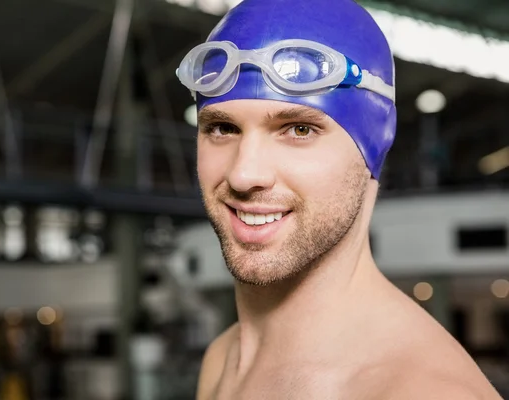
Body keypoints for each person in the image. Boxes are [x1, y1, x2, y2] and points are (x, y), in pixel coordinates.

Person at [176, 0, 503, 398]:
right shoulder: (223, 357)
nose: (244, 174)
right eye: (223, 127)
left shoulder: (420, 391)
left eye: (298, 130)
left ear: (377, 139)